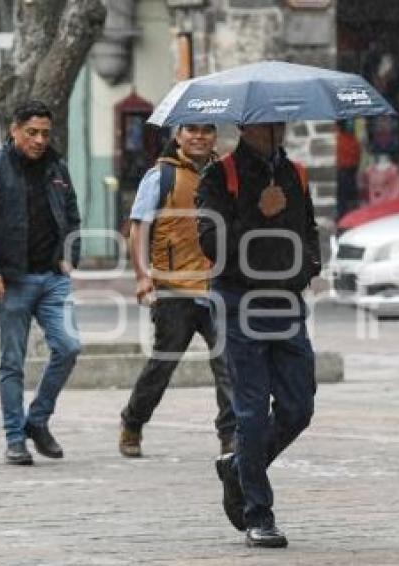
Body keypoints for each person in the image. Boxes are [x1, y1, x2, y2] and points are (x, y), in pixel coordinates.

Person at [197, 122, 321, 548]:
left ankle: (237, 470)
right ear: (248, 126)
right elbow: (210, 244)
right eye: (269, 123)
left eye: (281, 122)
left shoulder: (297, 173)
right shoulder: (220, 175)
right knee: (249, 412)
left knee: (298, 407)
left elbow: (309, 229)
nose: (277, 130)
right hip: (238, 303)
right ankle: (259, 513)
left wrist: (308, 269)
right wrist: (257, 212)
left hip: (286, 302)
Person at [0, 99, 82, 465]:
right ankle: (16, 438)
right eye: (31, 132)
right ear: (14, 130)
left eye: (45, 133)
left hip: (52, 278)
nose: (39, 140)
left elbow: (73, 216)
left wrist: (69, 256)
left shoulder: (57, 168)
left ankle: (38, 419)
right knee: (12, 362)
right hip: (10, 279)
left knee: (69, 346)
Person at [119, 123, 236, 458]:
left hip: (216, 287)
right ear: (178, 135)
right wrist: (143, 277)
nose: (199, 136)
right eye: (191, 130)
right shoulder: (161, 176)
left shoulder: (224, 173)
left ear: (215, 136)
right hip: (173, 288)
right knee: (163, 364)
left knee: (227, 365)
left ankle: (230, 436)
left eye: (206, 131)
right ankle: (133, 421)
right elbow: (138, 229)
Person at [335, 119, 361, 219]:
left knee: (342, 202)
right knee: (349, 201)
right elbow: (357, 157)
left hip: (343, 172)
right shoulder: (352, 140)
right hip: (349, 173)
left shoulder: (337, 139)